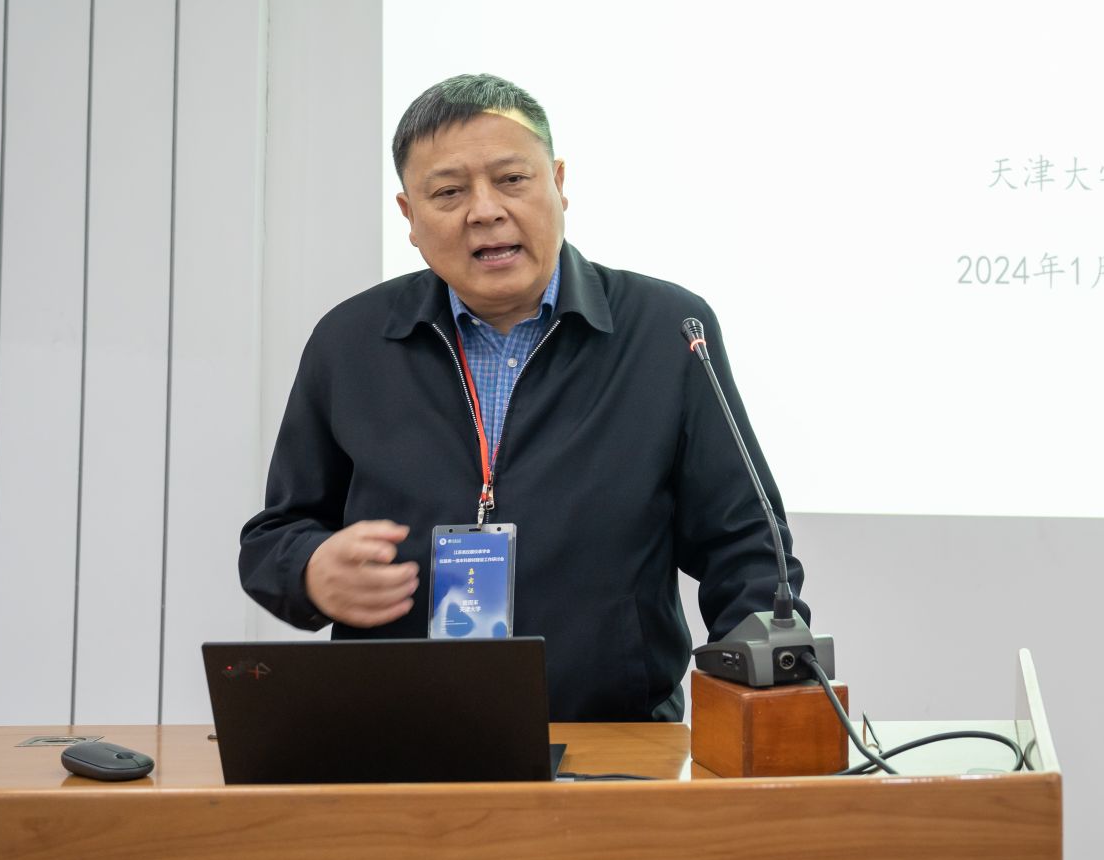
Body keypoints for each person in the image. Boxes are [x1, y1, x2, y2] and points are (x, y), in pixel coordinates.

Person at [239, 74, 807, 721]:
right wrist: (310, 569)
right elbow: (274, 537)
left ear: (558, 183)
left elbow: (746, 546)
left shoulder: (667, 329)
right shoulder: (352, 341)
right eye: (449, 192)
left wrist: (761, 701)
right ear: (409, 216)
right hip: (395, 735)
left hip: (614, 738)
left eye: (511, 179)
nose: (484, 210)